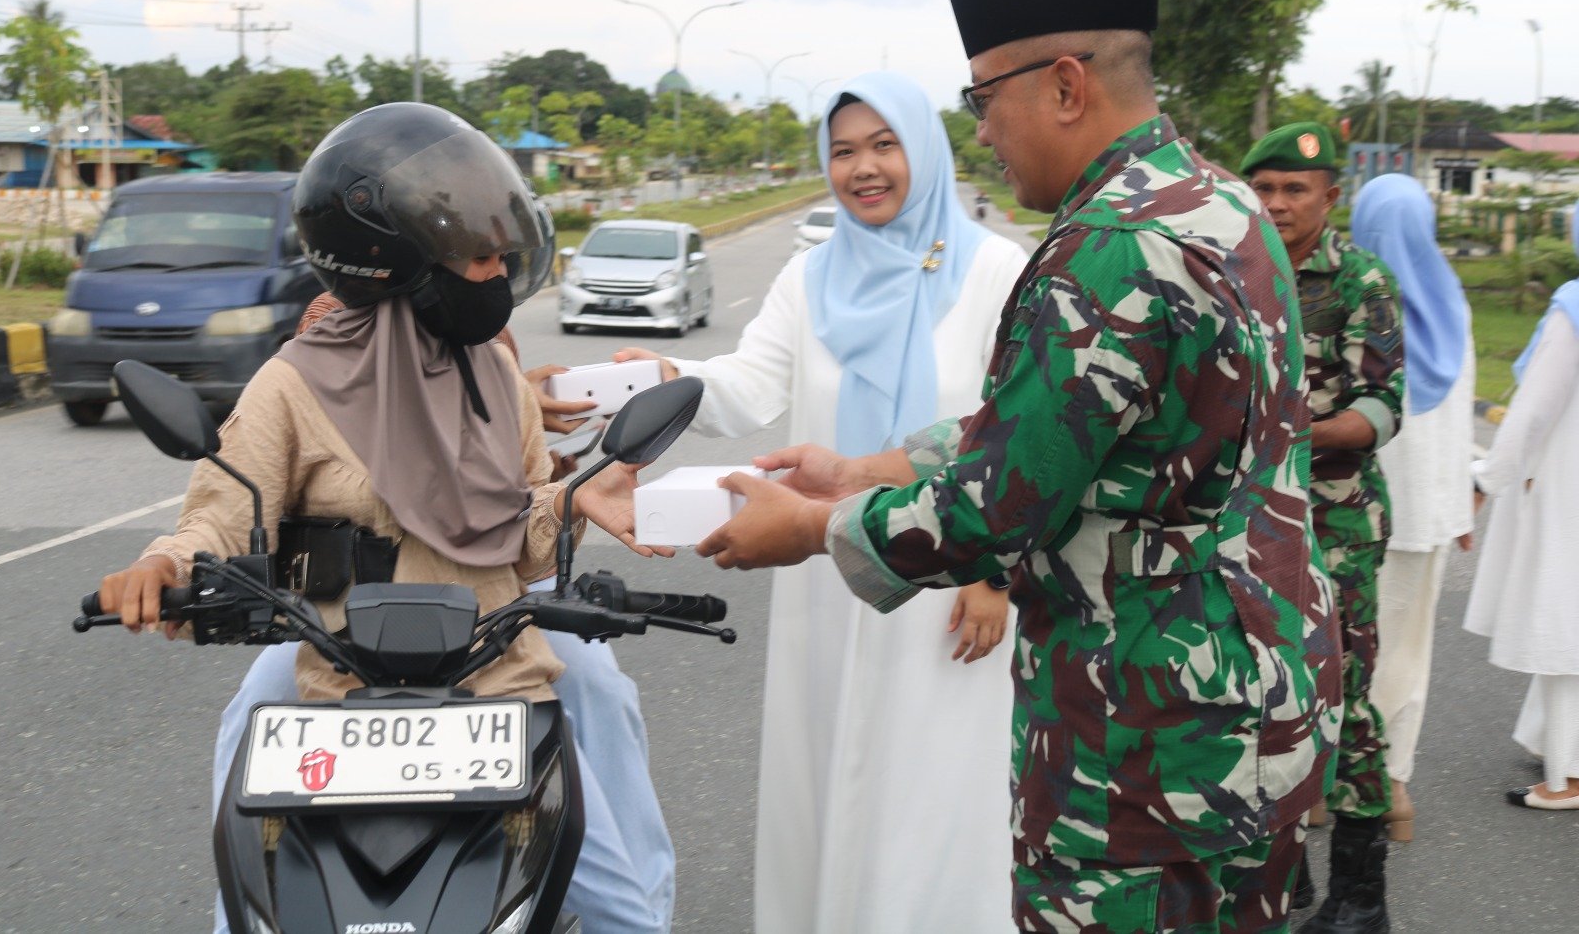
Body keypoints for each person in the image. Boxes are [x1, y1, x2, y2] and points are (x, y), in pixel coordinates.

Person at [698, 0, 1340, 934]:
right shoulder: (1215, 203)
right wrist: (877, 462)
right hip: (1257, 708)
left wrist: (813, 527)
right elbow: (1088, 420)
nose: (983, 133)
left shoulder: (1103, 249)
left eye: (985, 99)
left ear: (1067, 85)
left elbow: (996, 505)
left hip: (1144, 744)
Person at [95, 103, 667, 930]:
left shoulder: (494, 379)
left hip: (493, 670)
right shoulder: (294, 383)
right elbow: (219, 521)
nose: (498, 274)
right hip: (342, 673)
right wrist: (166, 568)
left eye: (503, 254)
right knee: (252, 864)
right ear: (402, 261)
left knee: (621, 906)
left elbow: (518, 534)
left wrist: (578, 501)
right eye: (480, 256)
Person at [617, 70, 1029, 934]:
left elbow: (1015, 438)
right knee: (820, 784)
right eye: (843, 151)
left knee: (934, 795)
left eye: (885, 146)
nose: (863, 169)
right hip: (824, 572)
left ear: (925, 149)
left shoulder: (998, 271)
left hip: (949, 585)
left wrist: (994, 576)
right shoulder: (811, 278)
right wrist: (663, 377)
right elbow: (746, 385)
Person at [206, 293, 676, 934]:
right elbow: (226, 515)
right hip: (345, 619)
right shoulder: (299, 380)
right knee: (254, 707)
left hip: (491, 604)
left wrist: (571, 485)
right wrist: (184, 575)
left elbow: (531, 525)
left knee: (598, 691)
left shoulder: (483, 349)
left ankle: (639, 905)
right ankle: (237, 914)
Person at [1242, 122, 1405, 932]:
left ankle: (1361, 892)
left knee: (1348, 696)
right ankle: (1287, 877)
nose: (1277, 205)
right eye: (1264, 190)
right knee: (1266, 694)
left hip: (1337, 522)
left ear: (1328, 197)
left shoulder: (1361, 281)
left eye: (1294, 190)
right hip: (1253, 522)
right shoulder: (1239, 275)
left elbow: (1378, 412)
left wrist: (1274, 425)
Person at [1351, 174, 1476, 844]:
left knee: (1339, 647)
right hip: (1423, 512)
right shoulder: (1451, 300)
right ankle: (1391, 781)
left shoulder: (1352, 297)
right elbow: (1461, 410)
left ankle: (1333, 782)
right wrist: (1460, 505)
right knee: (1405, 651)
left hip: (1352, 508)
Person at [1465, 274, 1579, 811]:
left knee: (1563, 623)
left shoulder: (1574, 308)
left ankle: (1568, 779)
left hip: (1569, 479)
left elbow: (1532, 409)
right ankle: (1545, 739)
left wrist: (1488, 478)